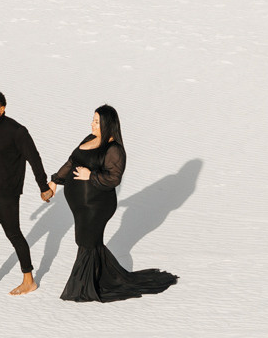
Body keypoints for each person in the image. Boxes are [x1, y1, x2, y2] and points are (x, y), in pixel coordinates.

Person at [52, 104, 178, 302]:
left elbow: (114, 178)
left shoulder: (114, 150)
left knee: (87, 242)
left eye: (96, 121)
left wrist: (89, 175)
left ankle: (82, 288)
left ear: (107, 124)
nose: (92, 124)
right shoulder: (89, 140)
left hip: (98, 205)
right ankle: (103, 279)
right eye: (92, 120)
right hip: (81, 206)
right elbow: (71, 162)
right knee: (87, 242)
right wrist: (55, 181)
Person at [0, 91, 53, 295]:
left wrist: (43, 187)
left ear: (2, 108)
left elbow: (34, 158)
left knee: (13, 234)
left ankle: (29, 280)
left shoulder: (17, 131)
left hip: (7, 194)